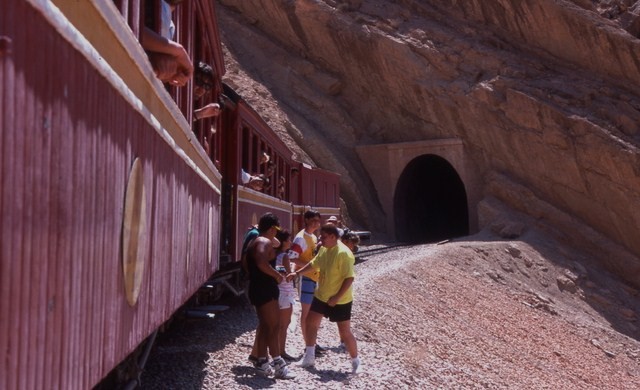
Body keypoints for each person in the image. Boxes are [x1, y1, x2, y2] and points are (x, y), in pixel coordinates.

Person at [287, 224, 362, 374]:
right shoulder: (324, 249)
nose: (320, 239)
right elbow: (314, 264)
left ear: (333, 237)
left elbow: (349, 279)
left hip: (340, 299)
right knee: (310, 323)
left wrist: (336, 297)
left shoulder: (344, 253)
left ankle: (356, 361)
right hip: (322, 295)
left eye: (324, 237)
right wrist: (297, 273)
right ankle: (309, 357)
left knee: (345, 332)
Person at [245, 213, 294, 379]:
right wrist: (276, 275)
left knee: (266, 326)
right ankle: (279, 364)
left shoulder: (256, 241)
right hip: (265, 289)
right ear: (272, 228)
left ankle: (262, 362)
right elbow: (260, 261)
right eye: (275, 229)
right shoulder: (263, 242)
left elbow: (247, 263)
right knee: (274, 327)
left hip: (259, 287)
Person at [287, 210, 327, 356]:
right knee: (306, 313)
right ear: (307, 220)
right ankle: (308, 345)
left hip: (313, 278)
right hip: (305, 278)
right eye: (314, 220)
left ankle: (312, 342)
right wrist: (308, 267)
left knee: (312, 312)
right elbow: (292, 257)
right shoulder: (301, 238)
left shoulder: (313, 237)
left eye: (318, 220)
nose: (317, 223)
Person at [274, 229, 299, 362]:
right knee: (284, 324)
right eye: (289, 239)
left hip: (279, 292)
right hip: (285, 293)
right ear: (283, 242)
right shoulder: (284, 256)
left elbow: (280, 271)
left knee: (279, 324)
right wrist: (294, 268)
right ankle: (280, 352)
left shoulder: (276, 255)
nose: (290, 242)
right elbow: (288, 277)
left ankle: (277, 350)